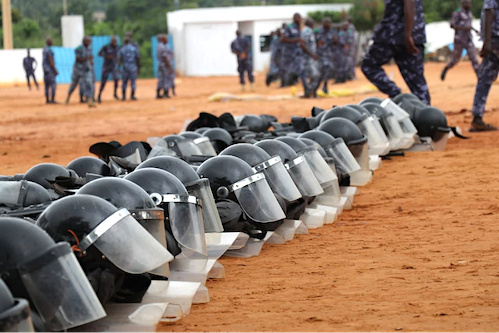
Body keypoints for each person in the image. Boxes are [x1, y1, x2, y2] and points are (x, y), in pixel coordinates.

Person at [361, 0, 431, 105]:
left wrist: (408, 35)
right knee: (417, 82)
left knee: (369, 65)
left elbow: (409, 2)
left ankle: (396, 95)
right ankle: (425, 113)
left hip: (393, 35)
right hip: (411, 35)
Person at [470, 0, 499, 131]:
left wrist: (487, 41)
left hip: (494, 40)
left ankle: (477, 117)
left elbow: (489, 11)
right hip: (495, 39)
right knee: (485, 78)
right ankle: (477, 118)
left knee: (485, 78)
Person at [441, 0, 480, 81]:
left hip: (469, 39)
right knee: (455, 59)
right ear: (463, 4)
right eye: (468, 3)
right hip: (459, 40)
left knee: (474, 59)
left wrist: (474, 29)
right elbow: (452, 25)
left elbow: (468, 25)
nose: (470, 5)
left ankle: (480, 78)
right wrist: (463, 28)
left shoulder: (469, 13)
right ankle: (446, 68)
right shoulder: (457, 13)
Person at [281, 13, 311, 97]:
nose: (299, 20)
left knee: (302, 71)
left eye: (300, 18)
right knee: (293, 71)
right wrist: (296, 40)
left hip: (300, 53)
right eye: (298, 18)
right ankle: (289, 82)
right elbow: (283, 39)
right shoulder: (289, 27)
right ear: (294, 18)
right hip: (291, 54)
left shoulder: (301, 27)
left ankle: (307, 90)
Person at [65, 36, 95, 107]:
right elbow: (78, 59)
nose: (89, 43)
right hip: (78, 69)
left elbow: (90, 56)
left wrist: (90, 61)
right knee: (74, 84)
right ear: (84, 41)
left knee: (89, 83)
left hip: (86, 69)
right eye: (88, 41)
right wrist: (88, 59)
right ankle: (68, 97)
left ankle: (90, 100)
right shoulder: (79, 48)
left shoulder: (90, 48)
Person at [97, 36, 120, 103]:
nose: (114, 42)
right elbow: (99, 54)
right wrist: (106, 56)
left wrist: (118, 65)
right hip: (106, 66)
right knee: (103, 81)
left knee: (116, 79)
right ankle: (99, 95)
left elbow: (118, 56)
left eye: (115, 41)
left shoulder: (117, 47)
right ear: (111, 41)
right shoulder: (106, 46)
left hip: (113, 66)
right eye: (113, 41)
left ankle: (115, 94)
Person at [316, 17, 335, 94]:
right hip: (321, 54)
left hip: (328, 54)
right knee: (321, 71)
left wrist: (335, 40)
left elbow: (334, 42)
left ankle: (325, 85)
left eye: (329, 23)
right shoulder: (319, 31)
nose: (328, 24)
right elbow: (317, 42)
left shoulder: (332, 32)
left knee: (329, 69)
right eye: (326, 23)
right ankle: (315, 88)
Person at [302, 19, 320, 97]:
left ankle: (309, 92)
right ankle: (309, 92)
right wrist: (312, 55)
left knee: (313, 76)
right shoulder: (307, 31)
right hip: (309, 58)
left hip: (310, 58)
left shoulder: (308, 30)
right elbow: (302, 44)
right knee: (315, 75)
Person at [156, 34, 175, 99]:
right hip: (165, 65)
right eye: (166, 39)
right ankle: (166, 93)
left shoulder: (158, 46)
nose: (167, 40)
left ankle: (158, 93)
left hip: (160, 64)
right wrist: (170, 66)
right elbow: (165, 57)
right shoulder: (162, 47)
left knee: (161, 78)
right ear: (163, 39)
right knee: (167, 78)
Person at [42, 38, 58, 104]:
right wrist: (54, 70)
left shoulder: (44, 49)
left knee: (46, 86)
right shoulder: (49, 50)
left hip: (45, 70)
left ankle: (47, 99)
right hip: (50, 70)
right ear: (49, 42)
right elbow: (50, 60)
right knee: (53, 85)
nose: (52, 43)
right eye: (51, 42)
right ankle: (52, 99)